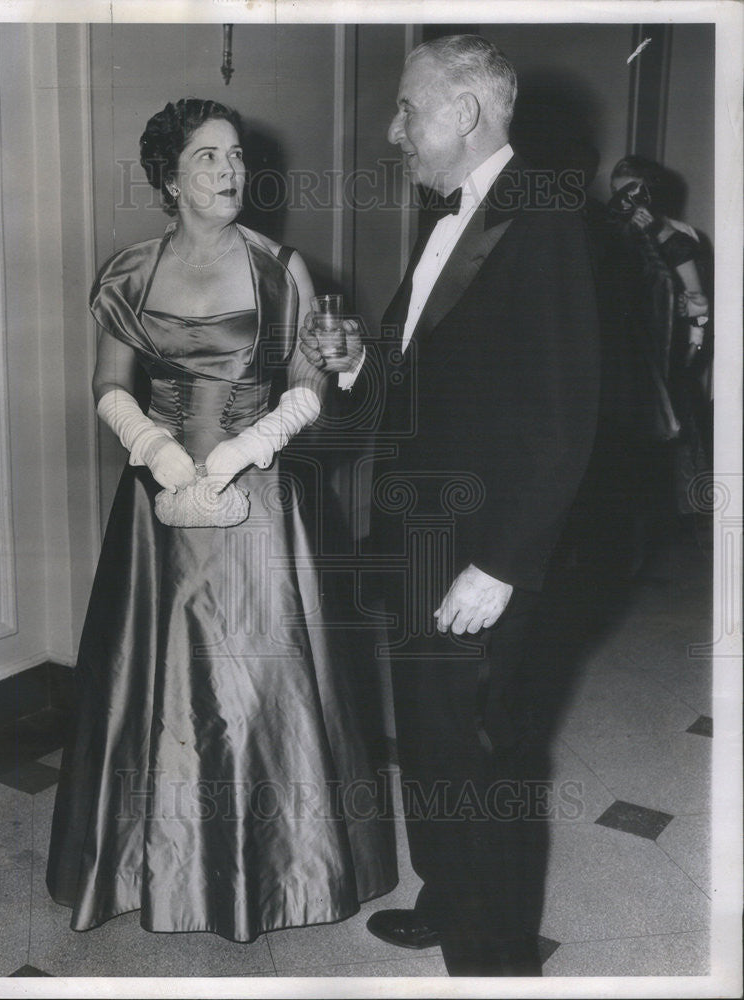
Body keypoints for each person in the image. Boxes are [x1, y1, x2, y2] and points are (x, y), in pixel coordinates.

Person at [46, 98, 396, 941]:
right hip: (159, 504)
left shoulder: (283, 267)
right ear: (169, 178)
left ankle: (275, 871)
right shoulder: (128, 271)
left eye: (235, 156)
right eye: (207, 158)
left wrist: (247, 450)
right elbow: (109, 385)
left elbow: (314, 384)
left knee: (258, 681)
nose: (229, 171)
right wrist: (161, 456)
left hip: (259, 499)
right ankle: (149, 863)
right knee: (152, 684)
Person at [301, 35, 601, 975]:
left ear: (464, 112)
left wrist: (504, 563)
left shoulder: (546, 219)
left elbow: (565, 414)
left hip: (479, 549)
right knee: (431, 735)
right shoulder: (447, 219)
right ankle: (448, 896)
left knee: (480, 755)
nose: (395, 128)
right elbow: (415, 374)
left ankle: (496, 957)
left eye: (407, 109)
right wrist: (357, 363)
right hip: (415, 534)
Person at [608, 156, 712, 524]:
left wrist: (694, 345)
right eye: (617, 193)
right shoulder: (613, 233)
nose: (625, 202)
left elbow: (699, 302)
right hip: (626, 352)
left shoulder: (681, 235)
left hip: (671, 352)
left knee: (675, 442)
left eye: (633, 192)